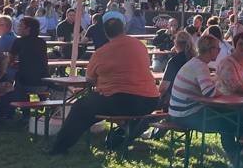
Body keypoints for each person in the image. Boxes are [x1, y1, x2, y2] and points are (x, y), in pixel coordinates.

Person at [49, 12, 160, 154]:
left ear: (105, 33)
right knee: (93, 106)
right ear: (124, 29)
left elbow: (89, 79)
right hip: (150, 100)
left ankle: (60, 147)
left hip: (122, 100)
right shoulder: (140, 46)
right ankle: (118, 137)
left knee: (80, 107)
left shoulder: (101, 52)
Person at [9, 16, 49, 96]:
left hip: (26, 83)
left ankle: (23, 107)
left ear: (28, 29)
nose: (18, 28)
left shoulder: (19, 41)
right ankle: (40, 104)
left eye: (20, 26)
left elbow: (10, 60)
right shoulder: (41, 42)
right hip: (44, 82)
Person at [159, 31, 195, 110]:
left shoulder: (174, 61)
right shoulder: (196, 60)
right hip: (194, 102)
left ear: (176, 44)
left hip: (175, 102)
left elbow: (163, 87)